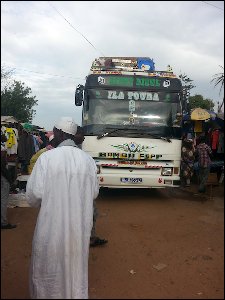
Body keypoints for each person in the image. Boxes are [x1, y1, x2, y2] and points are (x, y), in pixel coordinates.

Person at [25, 117, 99, 299]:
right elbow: (94, 193)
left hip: (51, 228)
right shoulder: (88, 161)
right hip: (77, 229)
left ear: (59, 133)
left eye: (54, 132)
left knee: (48, 271)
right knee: (75, 270)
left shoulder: (46, 159)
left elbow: (34, 195)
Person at [73, 126, 108, 247]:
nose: (83, 137)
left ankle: (90, 237)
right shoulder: (74, 152)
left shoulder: (81, 149)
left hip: (84, 189)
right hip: (80, 190)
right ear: (73, 135)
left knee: (91, 213)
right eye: (81, 134)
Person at [1, 133, 17, 229]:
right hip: (2, 177)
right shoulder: (2, 149)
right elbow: (2, 167)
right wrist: (10, 180)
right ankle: (3, 222)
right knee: (3, 199)